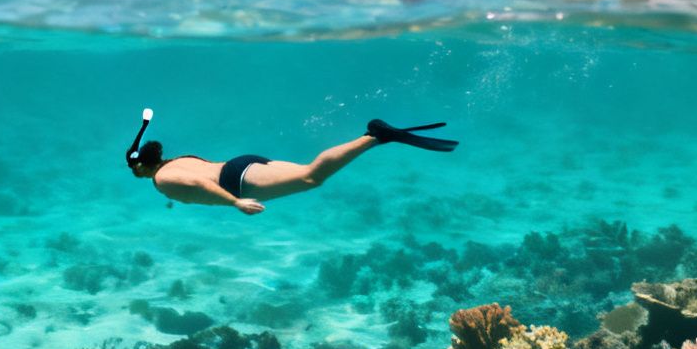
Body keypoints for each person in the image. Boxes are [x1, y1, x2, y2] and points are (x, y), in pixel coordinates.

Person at [124, 112, 455, 215]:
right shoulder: (180, 159)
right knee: (311, 173)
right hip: (243, 164)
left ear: (142, 166)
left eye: (132, 168)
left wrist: (237, 202)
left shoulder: (162, 180)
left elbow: (199, 185)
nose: (133, 173)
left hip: (237, 182)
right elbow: (201, 171)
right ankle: (375, 137)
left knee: (313, 177)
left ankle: (374, 137)